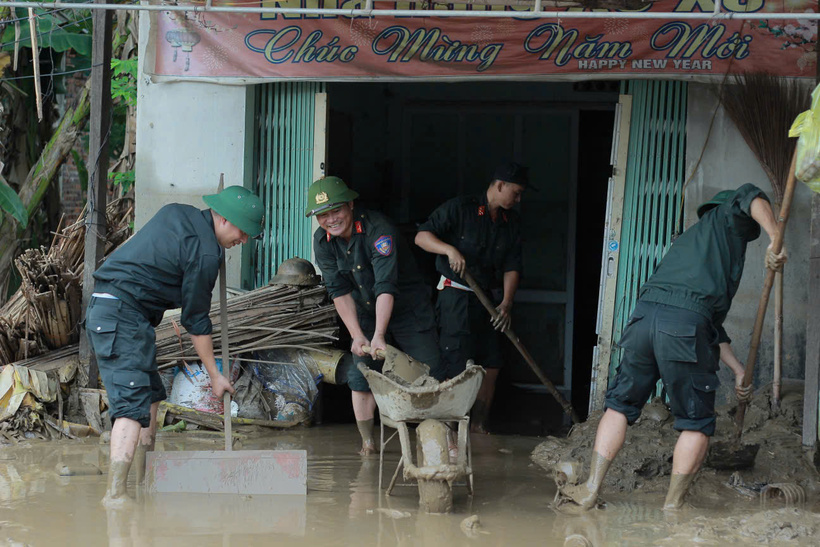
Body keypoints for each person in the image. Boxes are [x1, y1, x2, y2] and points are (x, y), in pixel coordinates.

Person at [557, 183, 788, 512]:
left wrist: (738, 371)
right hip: (682, 326)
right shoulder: (727, 220)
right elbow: (752, 196)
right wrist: (775, 238)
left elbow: (709, 326)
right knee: (696, 424)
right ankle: (671, 510)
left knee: (619, 407)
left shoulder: (690, 244)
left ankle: (591, 488)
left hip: (644, 319)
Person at [85, 186, 264, 508]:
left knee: (152, 394)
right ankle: (115, 495)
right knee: (132, 399)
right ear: (222, 219)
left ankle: (144, 480)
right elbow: (195, 320)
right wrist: (214, 374)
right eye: (243, 231)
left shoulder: (177, 212)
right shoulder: (207, 253)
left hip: (125, 314)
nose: (245, 240)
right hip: (120, 313)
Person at [306, 176, 443, 456]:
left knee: (430, 372)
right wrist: (358, 335)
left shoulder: (378, 231)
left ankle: (442, 440)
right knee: (362, 375)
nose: (331, 219)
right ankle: (368, 443)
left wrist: (379, 334)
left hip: (407, 309)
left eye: (336, 211)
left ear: (351, 205)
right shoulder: (323, 241)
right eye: (323, 214)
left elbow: (385, 286)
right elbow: (338, 290)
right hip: (364, 310)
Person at [415, 161, 528, 433]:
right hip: (455, 297)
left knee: (492, 362)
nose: (518, 199)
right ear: (499, 186)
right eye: (516, 192)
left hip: (488, 301)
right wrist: (449, 250)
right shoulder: (460, 208)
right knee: (456, 363)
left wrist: (507, 304)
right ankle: (451, 433)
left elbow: (512, 266)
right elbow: (421, 237)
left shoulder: (510, 222)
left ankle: (478, 427)